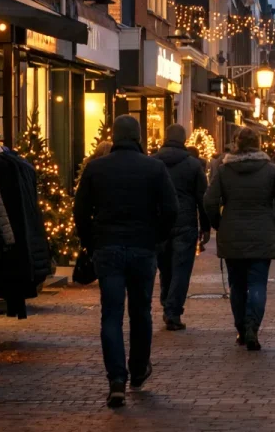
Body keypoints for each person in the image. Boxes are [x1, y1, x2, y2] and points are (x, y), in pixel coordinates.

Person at [74, 115, 179, 408]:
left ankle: (116, 379)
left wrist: (90, 241)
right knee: (141, 312)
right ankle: (138, 369)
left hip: (107, 247)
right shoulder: (154, 168)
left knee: (111, 313)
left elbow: (80, 210)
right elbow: (172, 209)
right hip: (143, 247)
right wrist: (157, 236)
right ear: (138, 137)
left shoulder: (96, 168)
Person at [204, 128, 275, 351]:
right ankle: (253, 326)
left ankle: (242, 329)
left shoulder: (225, 170)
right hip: (262, 231)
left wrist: (218, 223)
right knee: (257, 283)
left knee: (237, 285)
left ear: (237, 145)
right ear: (258, 144)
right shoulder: (271, 170)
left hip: (232, 232)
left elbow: (210, 201)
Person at [153, 124, 210, 332]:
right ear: (184, 139)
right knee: (181, 269)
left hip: (159, 223)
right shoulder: (193, 165)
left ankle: (167, 302)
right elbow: (202, 198)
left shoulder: (152, 162)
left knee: (165, 266)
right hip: (185, 222)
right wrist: (205, 227)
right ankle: (173, 310)